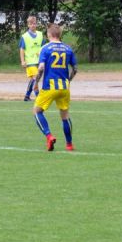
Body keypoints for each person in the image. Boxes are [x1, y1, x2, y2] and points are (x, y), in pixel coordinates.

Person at [32, 23, 77, 151]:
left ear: (49, 34)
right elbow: (75, 69)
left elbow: (41, 67)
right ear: (60, 34)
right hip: (64, 87)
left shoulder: (45, 48)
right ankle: (69, 144)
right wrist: (69, 80)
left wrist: (36, 83)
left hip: (49, 87)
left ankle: (49, 136)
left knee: (36, 111)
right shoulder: (68, 49)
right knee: (65, 115)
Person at [19, 15, 46, 101]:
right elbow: (22, 49)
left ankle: (27, 96)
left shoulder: (40, 34)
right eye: (31, 24)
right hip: (30, 62)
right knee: (35, 78)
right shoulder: (25, 36)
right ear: (28, 25)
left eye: (34, 23)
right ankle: (38, 96)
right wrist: (23, 61)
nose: (33, 25)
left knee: (34, 79)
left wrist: (42, 54)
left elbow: (43, 46)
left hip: (39, 61)